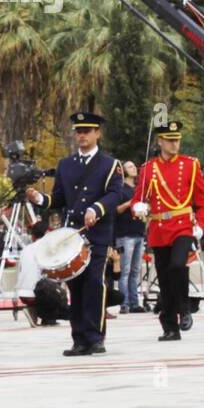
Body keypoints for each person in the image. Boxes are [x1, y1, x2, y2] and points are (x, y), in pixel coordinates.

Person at [22, 112, 128, 354]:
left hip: (98, 234)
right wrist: (39, 198)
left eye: (87, 131)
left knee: (95, 283)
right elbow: (58, 198)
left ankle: (95, 336)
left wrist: (96, 208)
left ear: (97, 133)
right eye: (79, 131)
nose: (82, 135)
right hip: (72, 237)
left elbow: (114, 194)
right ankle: (79, 338)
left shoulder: (111, 164)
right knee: (76, 287)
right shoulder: (66, 164)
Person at [131, 120, 204, 342]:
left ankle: (184, 308)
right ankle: (170, 327)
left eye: (177, 140)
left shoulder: (190, 165)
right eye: (170, 140)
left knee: (178, 265)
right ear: (160, 142)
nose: (175, 144)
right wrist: (137, 207)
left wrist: (201, 225)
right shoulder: (149, 169)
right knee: (165, 279)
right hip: (158, 228)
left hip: (183, 226)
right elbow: (138, 198)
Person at [114, 160, 146, 314]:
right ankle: (124, 302)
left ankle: (135, 302)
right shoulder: (120, 189)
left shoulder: (139, 188)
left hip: (139, 232)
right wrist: (129, 203)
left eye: (134, 166)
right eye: (130, 167)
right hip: (125, 234)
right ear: (124, 171)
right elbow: (116, 210)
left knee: (135, 270)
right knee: (125, 270)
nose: (134, 168)